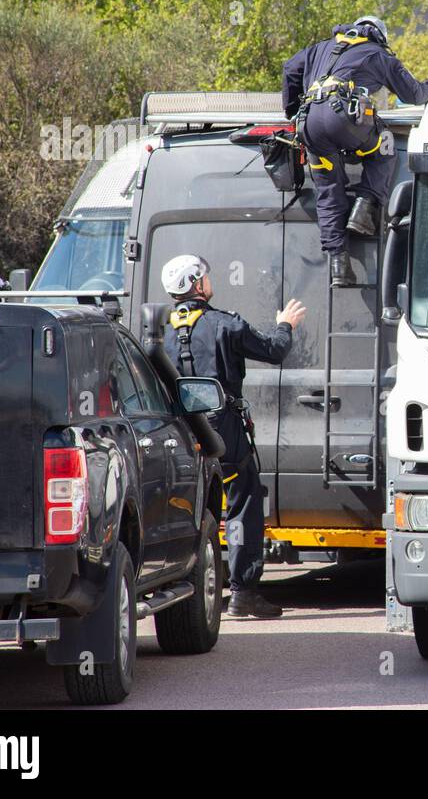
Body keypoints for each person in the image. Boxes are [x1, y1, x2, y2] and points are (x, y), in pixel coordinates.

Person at [160, 254, 307, 619]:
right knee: (242, 503)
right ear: (197, 285)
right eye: (206, 276)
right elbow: (275, 350)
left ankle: (188, 588)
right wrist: (285, 325)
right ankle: (242, 592)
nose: (210, 280)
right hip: (222, 429)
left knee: (193, 507)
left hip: (179, 432)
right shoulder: (225, 325)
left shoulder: (159, 331)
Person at [282, 16, 428, 287]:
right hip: (342, 118)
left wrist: (292, 111)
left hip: (310, 125)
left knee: (329, 190)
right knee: (386, 147)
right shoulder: (378, 54)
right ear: (379, 35)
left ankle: (339, 266)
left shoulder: (321, 47)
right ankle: (363, 210)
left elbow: (289, 69)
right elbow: (413, 93)